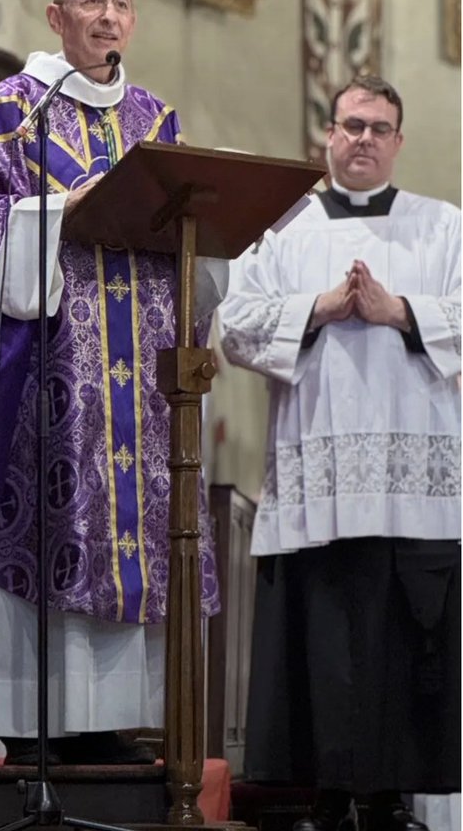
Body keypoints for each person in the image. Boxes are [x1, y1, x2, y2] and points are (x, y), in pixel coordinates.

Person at [0, 0, 224, 765]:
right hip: (44, 373)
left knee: (130, 532)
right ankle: (10, 717)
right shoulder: (14, 109)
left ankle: (107, 721)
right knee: (41, 518)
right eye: (91, 1)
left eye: (120, 3)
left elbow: (195, 238)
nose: (108, 17)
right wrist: (58, 210)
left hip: (139, 388)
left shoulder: (155, 122)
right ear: (56, 17)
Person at [218, 75, 461, 831]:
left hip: (410, 482)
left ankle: (390, 798)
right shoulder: (280, 227)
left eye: (378, 128)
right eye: (350, 125)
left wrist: (401, 312)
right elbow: (233, 323)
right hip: (314, 475)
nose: (362, 138)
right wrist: (317, 309)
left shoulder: (443, 226)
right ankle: (322, 795)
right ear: (326, 133)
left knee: (402, 644)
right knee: (317, 639)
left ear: (397, 141)